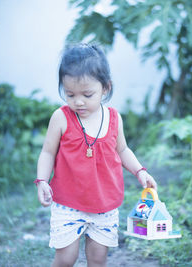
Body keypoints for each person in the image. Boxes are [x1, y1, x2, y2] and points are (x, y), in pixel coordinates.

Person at [35, 43, 157, 267]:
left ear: (105, 88)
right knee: (66, 257)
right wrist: (42, 180)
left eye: (87, 94)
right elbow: (47, 152)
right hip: (68, 204)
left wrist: (140, 171)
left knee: (98, 259)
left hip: (105, 205)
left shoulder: (113, 118)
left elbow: (122, 150)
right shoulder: (61, 118)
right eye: (69, 94)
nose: (78, 101)